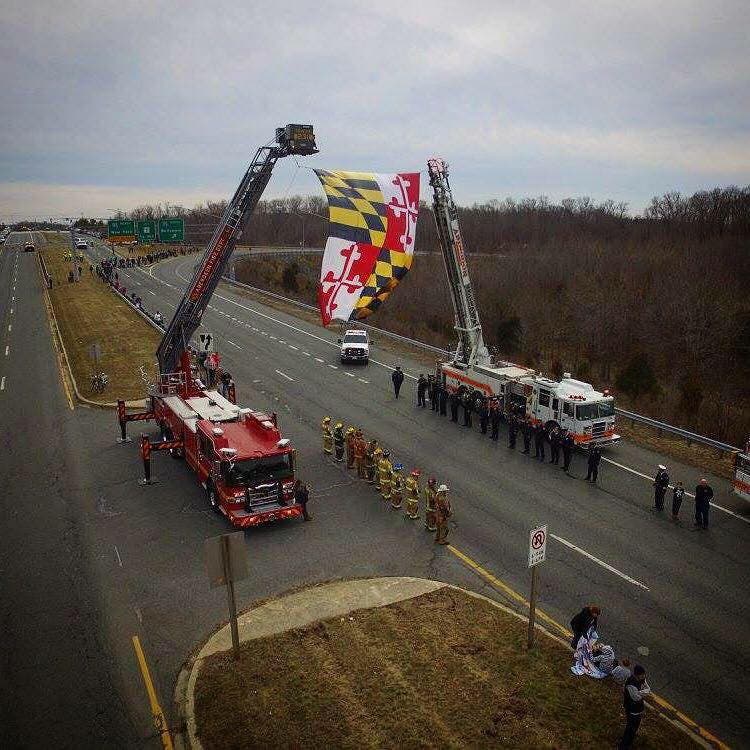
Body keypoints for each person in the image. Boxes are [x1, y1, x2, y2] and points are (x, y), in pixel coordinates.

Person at [618, 665, 650, 749]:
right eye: (642, 675)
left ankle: (628, 742)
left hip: (637, 709)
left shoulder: (641, 680)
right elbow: (636, 697)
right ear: (637, 675)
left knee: (634, 728)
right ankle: (624, 746)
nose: (644, 676)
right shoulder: (631, 684)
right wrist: (643, 693)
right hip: (632, 710)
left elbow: (648, 689)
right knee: (631, 728)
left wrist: (641, 692)